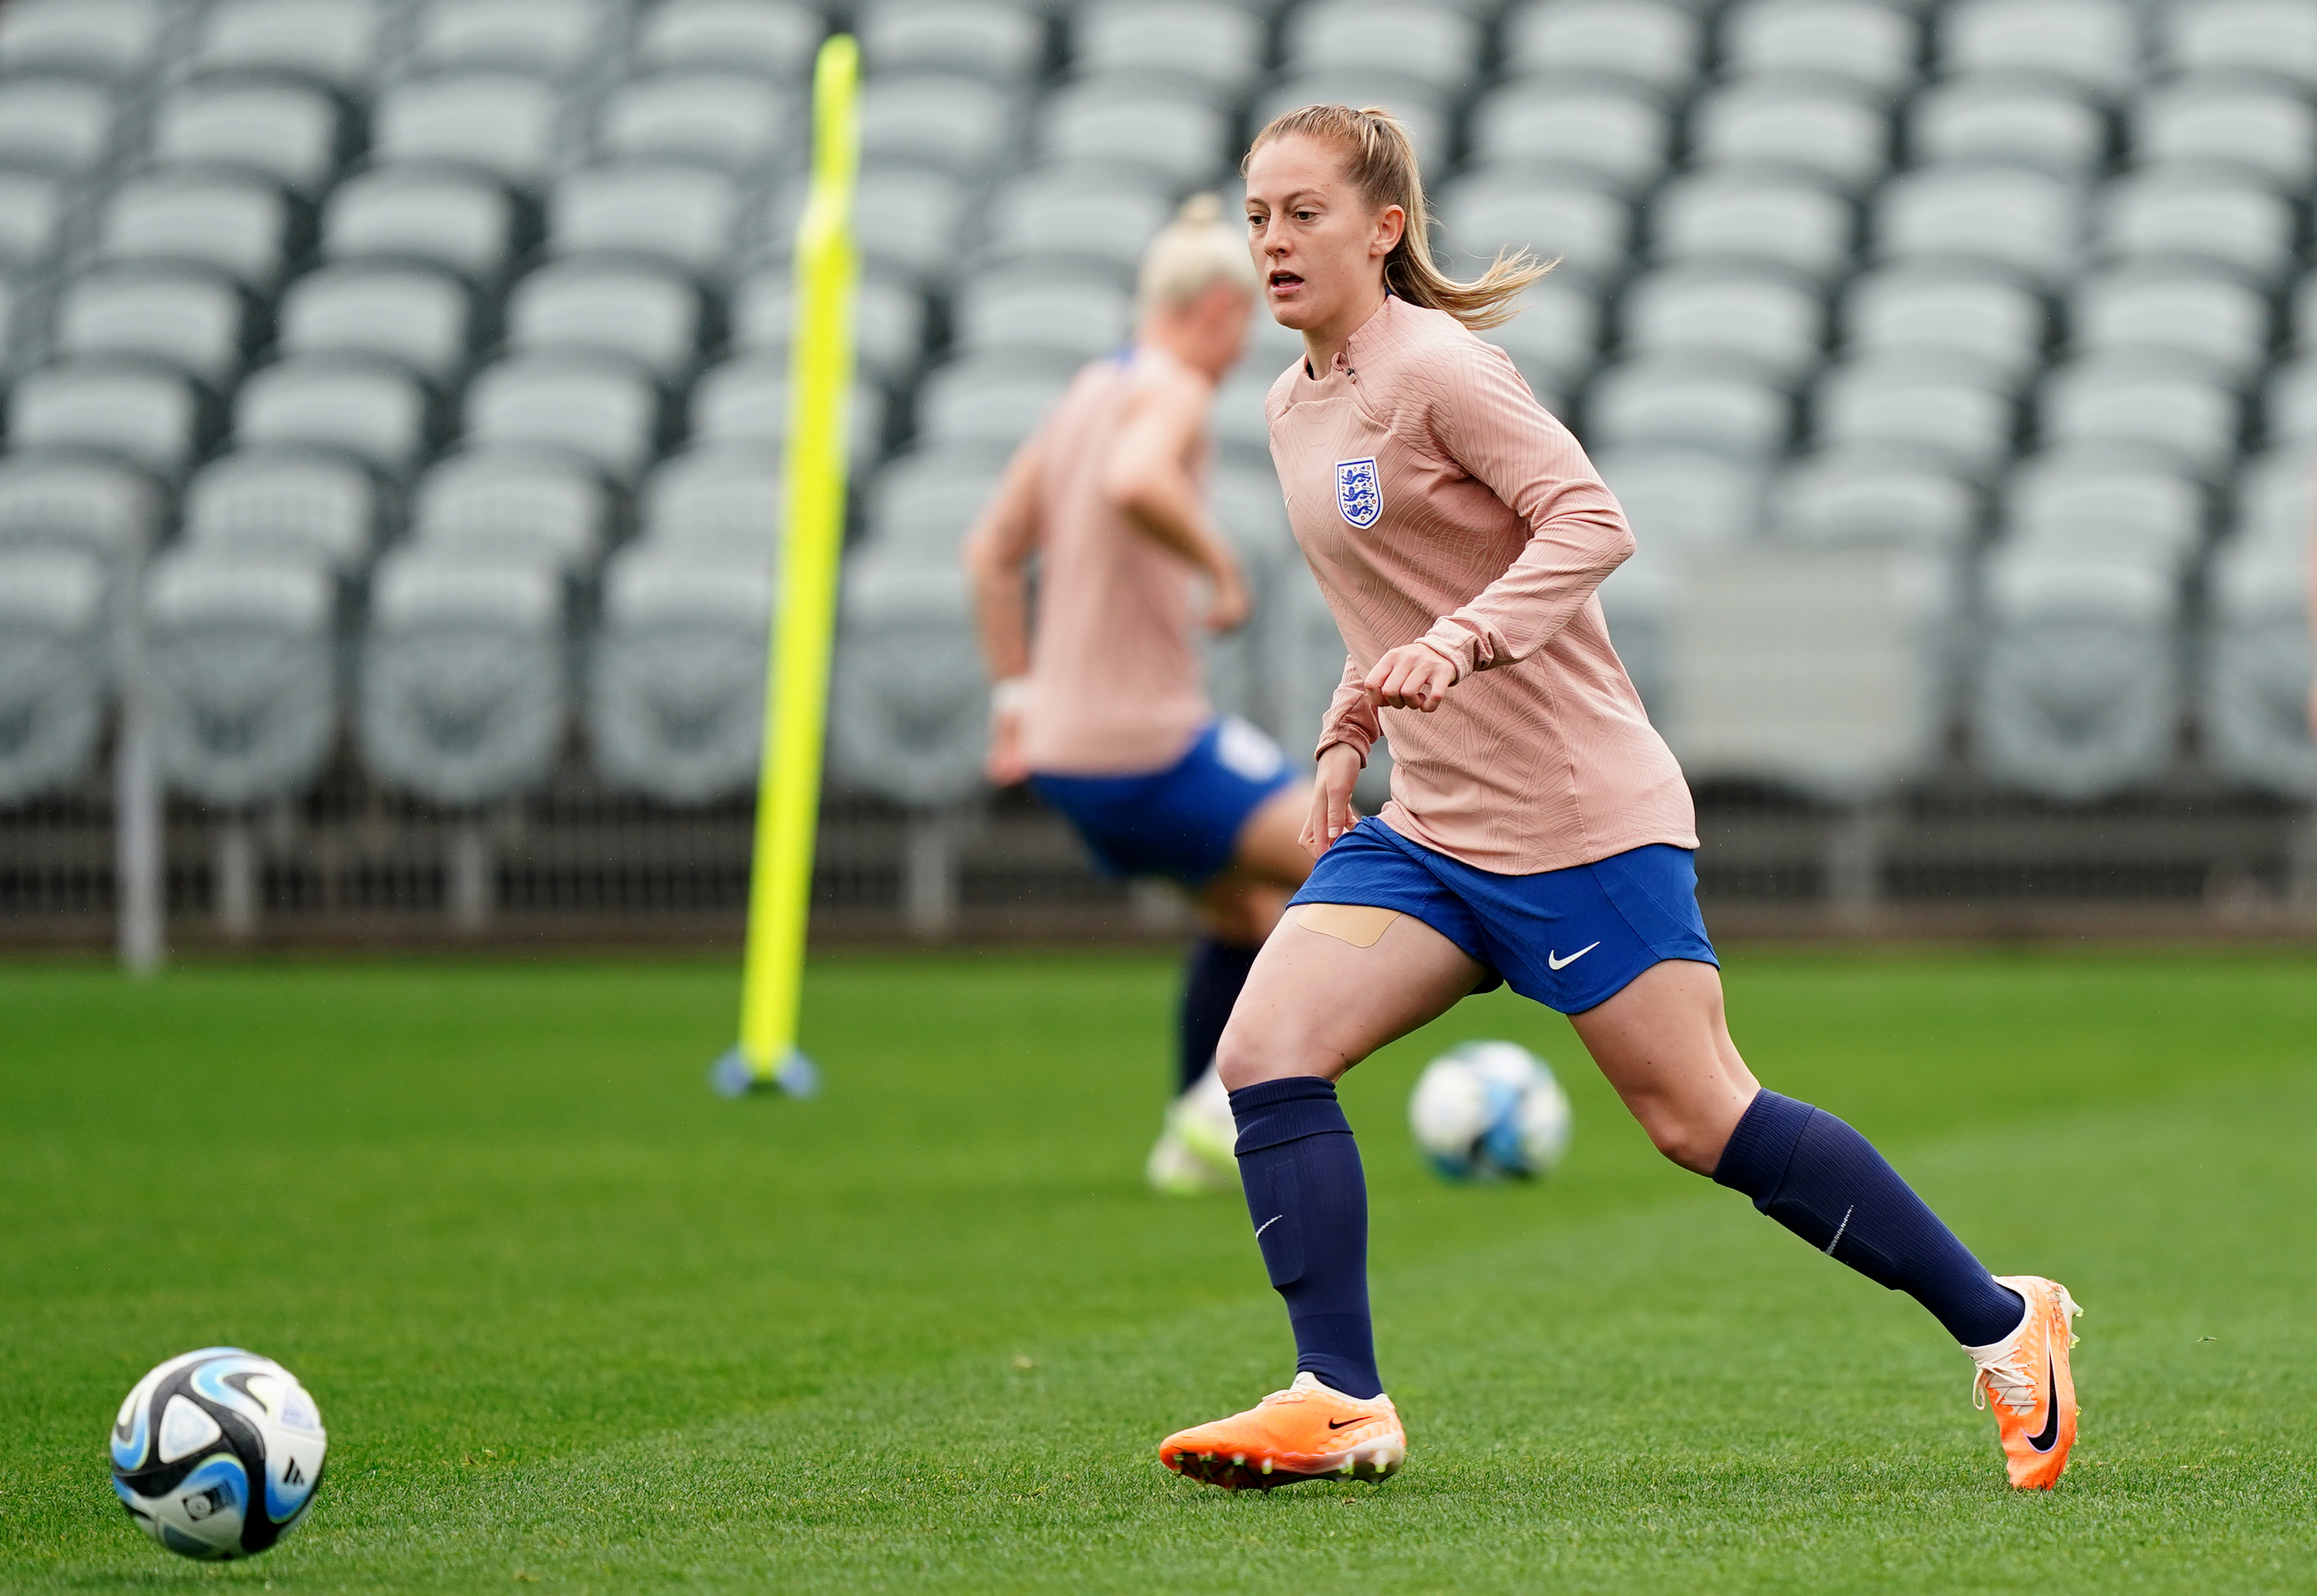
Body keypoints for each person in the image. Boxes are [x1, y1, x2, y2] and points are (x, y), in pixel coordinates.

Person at [1156, 106, 2083, 1494]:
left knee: (1697, 1119)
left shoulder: (1438, 370)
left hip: (1574, 818)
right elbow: (1385, 600)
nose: (1272, 243)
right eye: (1256, 218)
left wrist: (1461, 642)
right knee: (1264, 1050)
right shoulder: (1292, 404)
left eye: (1303, 214)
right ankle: (1338, 1394)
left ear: (1383, 228)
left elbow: (1589, 517)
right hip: (1429, 832)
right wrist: (1346, 729)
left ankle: (2008, 1323)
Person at [963, 195, 1318, 1194]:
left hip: (1065, 758)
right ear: (1214, 309)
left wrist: (1012, 703)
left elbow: (989, 553)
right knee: (1352, 863)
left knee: (1251, 909)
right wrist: (1221, 564)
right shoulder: (1171, 390)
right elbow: (1135, 481)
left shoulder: (1088, 388)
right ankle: (1222, 1108)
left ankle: (1185, 1138)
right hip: (1148, 743)